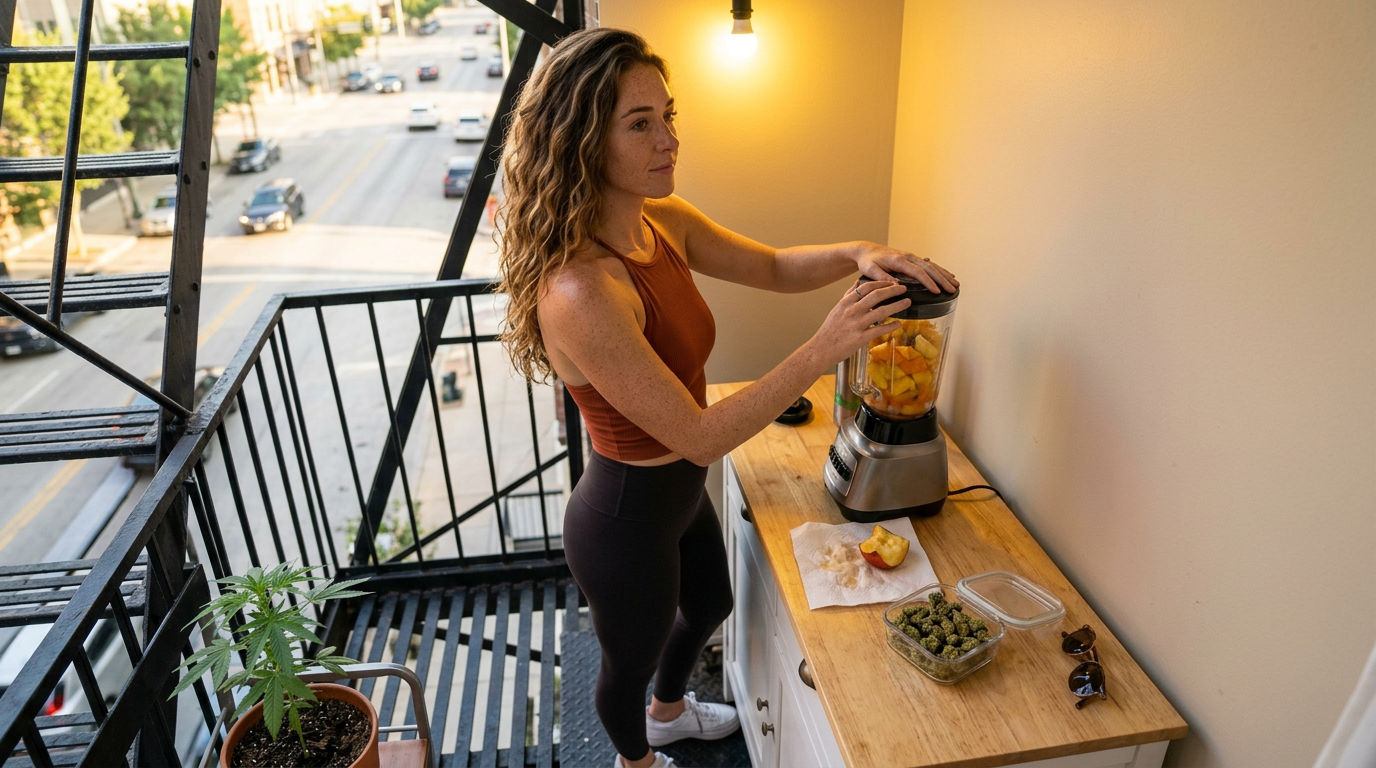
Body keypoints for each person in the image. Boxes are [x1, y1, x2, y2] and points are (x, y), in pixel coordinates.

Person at [497, 28, 957, 768]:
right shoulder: (581, 290)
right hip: (625, 519)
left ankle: (669, 714)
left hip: (676, 497)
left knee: (710, 604)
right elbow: (700, 437)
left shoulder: (663, 224)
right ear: (583, 141)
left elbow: (773, 266)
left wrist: (858, 252)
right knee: (625, 664)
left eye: (667, 115)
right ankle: (635, 758)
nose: (669, 139)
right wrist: (822, 348)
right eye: (640, 124)